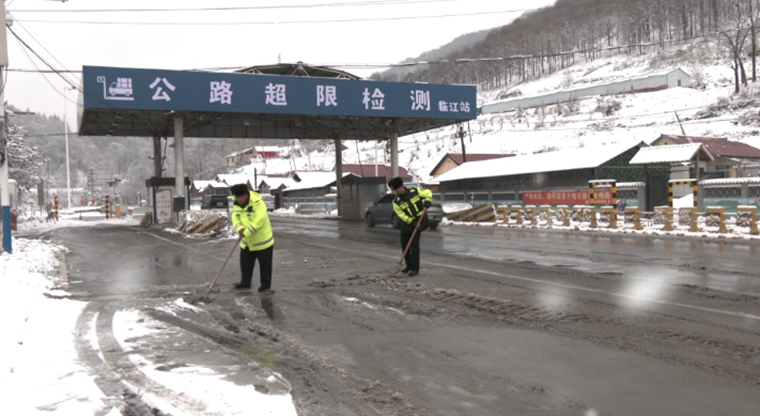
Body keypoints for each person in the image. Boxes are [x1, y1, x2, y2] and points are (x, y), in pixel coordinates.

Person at [229, 184, 275, 292]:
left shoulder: (258, 203)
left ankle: (265, 286)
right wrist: (239, 228)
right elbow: (235, 217)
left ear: (246, 194)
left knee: (265, 265)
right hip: (247, 242)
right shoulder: (236, 204)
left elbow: (260, 221)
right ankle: (245, 282)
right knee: (245, 264)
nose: (238, 200)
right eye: (236, 197)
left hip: (262, 241)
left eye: (240, 197)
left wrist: (246, 232)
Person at [388, 177, 433, 276]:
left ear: (401, 187)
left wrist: (428, 200)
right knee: (405, 247)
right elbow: (401, 215)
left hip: (419, 222)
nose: (396, 192)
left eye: (397, 190)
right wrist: (411, 222)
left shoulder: (415, 192)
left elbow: (428, 192)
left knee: (414, 247)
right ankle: (408, 265)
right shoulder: (396, 201)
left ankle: (415, 269)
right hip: (406, 225)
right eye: (395, 191)